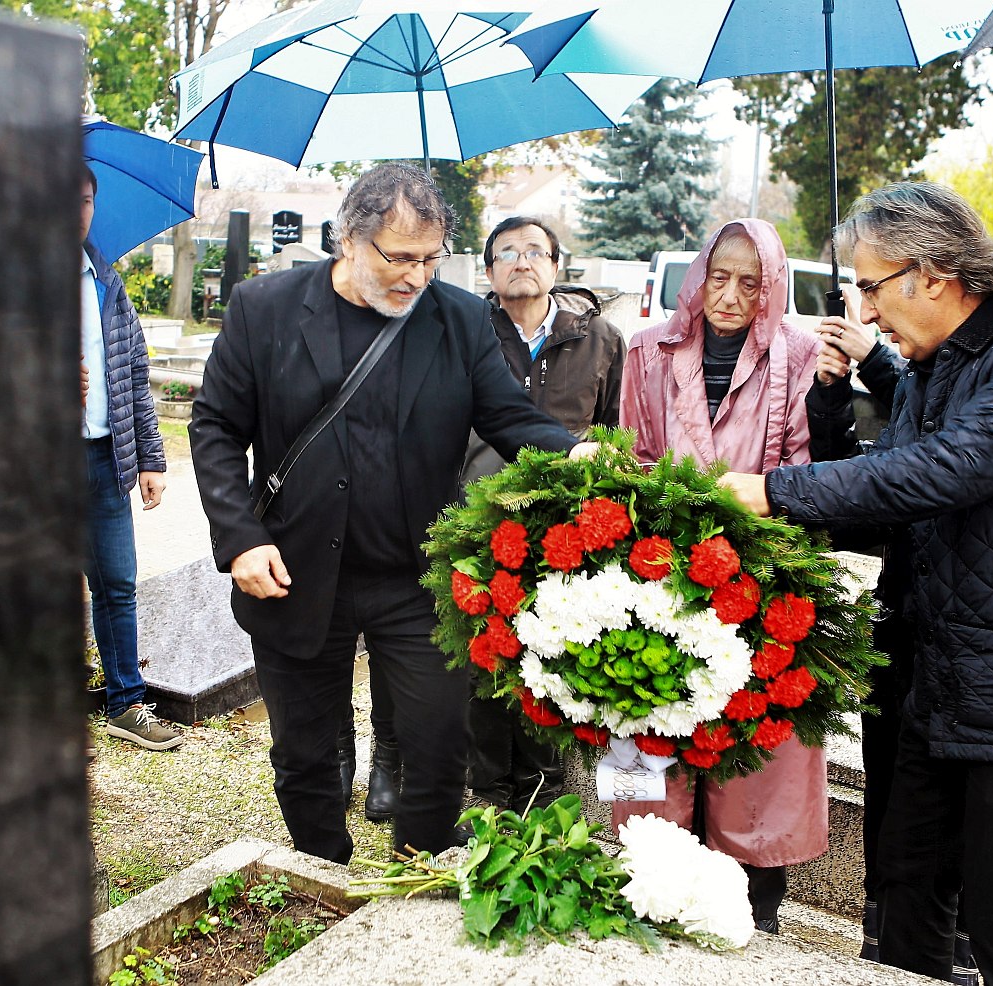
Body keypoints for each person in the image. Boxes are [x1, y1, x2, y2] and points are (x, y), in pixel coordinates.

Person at [730, 181, 993, 986]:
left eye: (873, 287)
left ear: (935, 276)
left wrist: (774, 489)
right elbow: (887, 496)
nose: (868, 313)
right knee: (905, 910)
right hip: (935, 684)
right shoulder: (937, 368)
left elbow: (944, 472)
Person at [188, 163, 596, 864]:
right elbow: (216, 426)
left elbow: (507, 416)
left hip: (416, 576)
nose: (416, 276)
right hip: (294, 569)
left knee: (438, 745)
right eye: (399, 257)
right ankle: (323, 869)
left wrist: (573, 454)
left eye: (431, 258)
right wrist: (240, 539)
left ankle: (422, 863)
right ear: (349, 239)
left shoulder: (461, 319)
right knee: (307, 752)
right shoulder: (266, 308)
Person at [616, 217, 826, 935]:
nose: (730, 296)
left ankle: (752, 910)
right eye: (719, 276)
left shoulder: (798, 355)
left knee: (755, 753)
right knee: (647, 732)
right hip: (658, 580)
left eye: (751, 282)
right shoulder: (649, 350)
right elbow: (634, 458)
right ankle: (646, 887)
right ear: (698, 276)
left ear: (774, 287)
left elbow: (803, 469)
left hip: (759, 583)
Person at [809, 305, 978, 986]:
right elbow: (856, 484)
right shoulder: (912, 376)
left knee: (953, 800)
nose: (871, 310)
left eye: (878, 290)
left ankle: (957, 941)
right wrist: (829, 393)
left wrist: (875, 360)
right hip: (901, 618)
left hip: (969, 633)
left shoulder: (983, 369)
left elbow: (936, 448)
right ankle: (884, 932)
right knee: (889, 787)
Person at [461, 215, 626, 816]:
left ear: (557, 267)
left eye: (535, 251)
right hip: (479, 519)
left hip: (565, 528)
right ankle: (486, 784)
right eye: (507, 252)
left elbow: (614, 430)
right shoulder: (465, 333)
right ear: (489, 270)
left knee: (552, 648)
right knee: (483, 649)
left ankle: (546, 779)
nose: (521, 261)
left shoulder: (601, 340)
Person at [79, 165, 183, 752]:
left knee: (116, 583)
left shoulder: (106, 281)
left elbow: (134, 376)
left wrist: (150, 457)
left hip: (102, 459)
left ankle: (125, 702)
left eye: (86, 199)